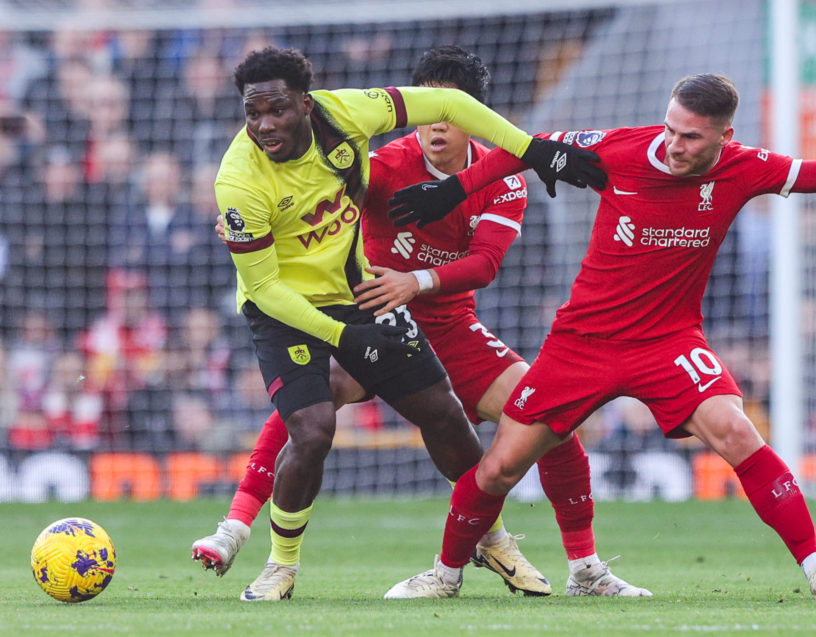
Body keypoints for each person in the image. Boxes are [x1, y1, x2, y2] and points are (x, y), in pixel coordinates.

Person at [385, 73, 816, 600]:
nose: (674, 146)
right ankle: (445, 575)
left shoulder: (744, 168)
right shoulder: (621, 150)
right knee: (498, 468)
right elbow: (526, 147)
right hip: (583, 342)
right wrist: (455, 187)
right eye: (671, 129)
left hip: (669, 341)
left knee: (737, 431)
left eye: (691, 137)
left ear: (723, 138)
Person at [194, 45, 644, 599]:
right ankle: (239, 528)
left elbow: (485, 265)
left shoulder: (501, 178)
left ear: (470, 114)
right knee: (308, 413)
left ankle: (584, 568)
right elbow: (306, 208)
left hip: (452, 327)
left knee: (553, 422)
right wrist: (245, 230)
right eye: (427, 112)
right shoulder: (379, 164)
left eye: (447, 114)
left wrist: (418, 281)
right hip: (374, 313)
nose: (434, 126)